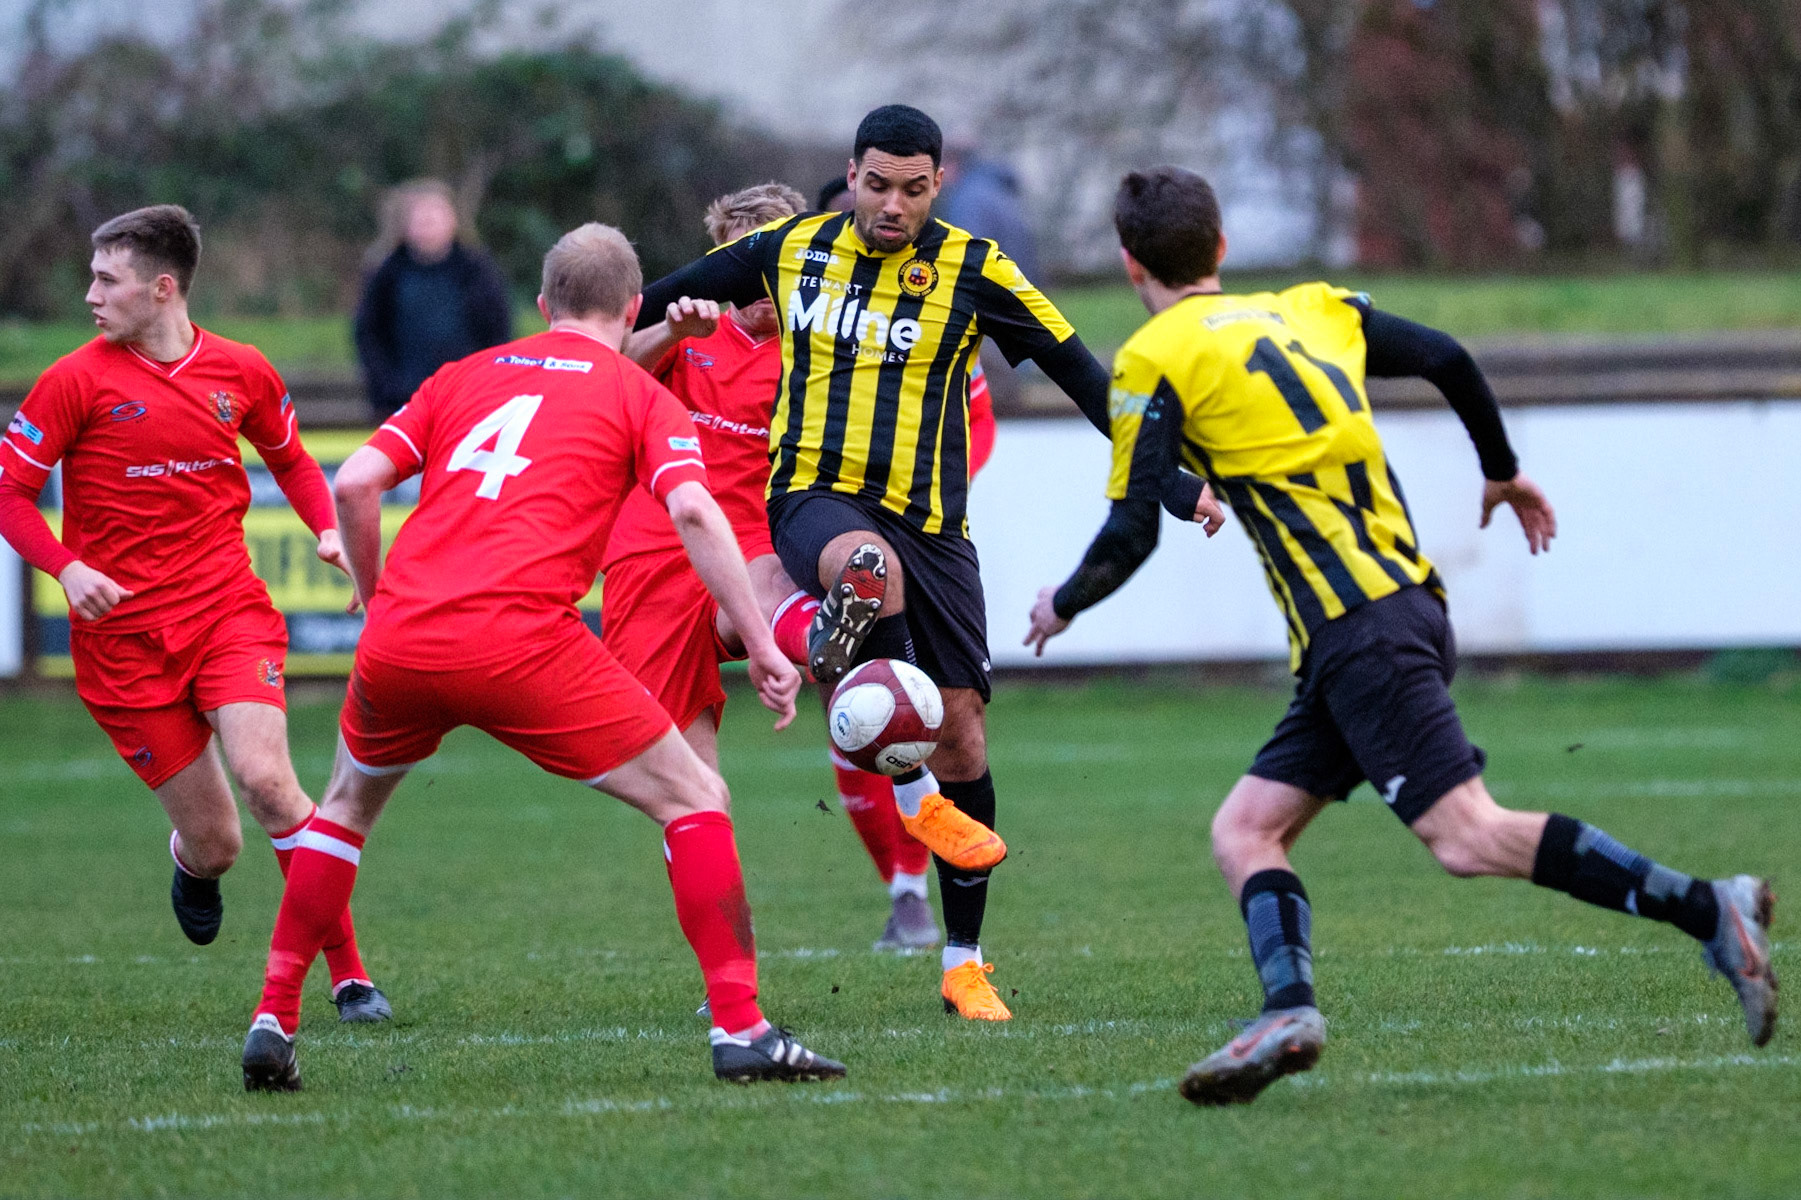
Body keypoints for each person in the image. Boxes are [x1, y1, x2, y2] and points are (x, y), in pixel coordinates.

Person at [1024, 166, 1778, 1104]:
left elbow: (1134, 526)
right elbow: (1450, 358)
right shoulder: (1314, 308)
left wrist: (1063, 602)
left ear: (1131, 264)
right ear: (1220, 248)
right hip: (1397, 610)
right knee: (1246, 829)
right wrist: (1500, 471)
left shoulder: (1151, 356)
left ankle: (1709, 906)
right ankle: (1288, 1008)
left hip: (1359, 631)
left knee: (1466, 836)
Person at [639, 105, 1224, 1021]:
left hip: (935, 525)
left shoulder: (978, 270)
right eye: (876, 185)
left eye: (912, 190)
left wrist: (1171, 482)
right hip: (813, 502)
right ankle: (901, 779)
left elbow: (1083, 376)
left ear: (936, 186)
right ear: (853, 171)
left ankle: (963, 963)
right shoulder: (789, 248)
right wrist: (648, 325)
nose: (890, 205)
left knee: (963, 738)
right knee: (864, 572)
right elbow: (633, 311)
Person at [241, 222, 841, 1091]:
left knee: (340, 811)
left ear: (540, 305)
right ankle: (740, 1029)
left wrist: (375, 600)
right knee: (696, 797)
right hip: (523, 639)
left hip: (403, 636)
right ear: (636, 308)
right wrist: (758, 637)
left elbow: (355, 484)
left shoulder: (464, 375)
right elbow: (698, 516)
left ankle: (274, 1015)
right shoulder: (638, 392)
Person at [0, 205, 390, 1022]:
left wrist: (328, 531)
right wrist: (66, 568)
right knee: (220, 842)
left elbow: (292, 459)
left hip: (225, 614)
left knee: (272, 784)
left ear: (163, 289)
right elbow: (11, 495)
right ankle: (192, 862)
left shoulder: (241, 371)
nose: (90, 295)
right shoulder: (74, 379)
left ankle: (349, 977)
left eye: (108, 279)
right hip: (122, 647)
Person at [608, 183, 940, 952]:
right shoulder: (683, 335)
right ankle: (728, 971)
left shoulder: (820, 349)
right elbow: (607, 369)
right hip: (655, 555)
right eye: (737, 267)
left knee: (765, 594)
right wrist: (668, 329)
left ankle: (818, 639)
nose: (756, 289)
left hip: (758, 546)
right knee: (693, 791)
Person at [353, 180, 513, 419]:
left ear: (453, 220)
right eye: (419, 216)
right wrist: (387, 391)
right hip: (404, 401)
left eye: (435, 214)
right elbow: (370, 336)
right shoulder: (386, 274)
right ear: (403, 224)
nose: (427, 223)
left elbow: (497, 333)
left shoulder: (477, 270)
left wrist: (484, 386)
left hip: (467, 399)